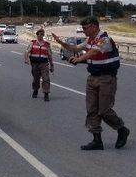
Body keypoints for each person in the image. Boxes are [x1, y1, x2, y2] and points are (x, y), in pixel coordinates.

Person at [52, 16, 130, 150]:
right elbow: (75, 48)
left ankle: (122, 129)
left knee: (104, 110)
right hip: (92, 78)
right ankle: (97, 140)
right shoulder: (90, 40)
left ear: (94, 26)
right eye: (82, 28)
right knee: (92, 109)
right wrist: (61, 43)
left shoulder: (104, 39)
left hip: (106, 78)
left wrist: (80, 59)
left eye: (85, 28)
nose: (83, 31)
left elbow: (94, 51)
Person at [24, 28, 54, 101]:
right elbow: (26, 52)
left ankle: (46, 94)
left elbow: (50, 56)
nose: (40, 36)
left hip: (44, 64)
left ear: (43, 35)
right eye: (39, 34)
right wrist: (26, 59)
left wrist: (52, 65)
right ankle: (35, 90)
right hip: (35, 64)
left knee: (46, 78)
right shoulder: (32, 43)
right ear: (36, 35)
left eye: (42, 34)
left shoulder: (47, 45)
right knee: (36, 79)